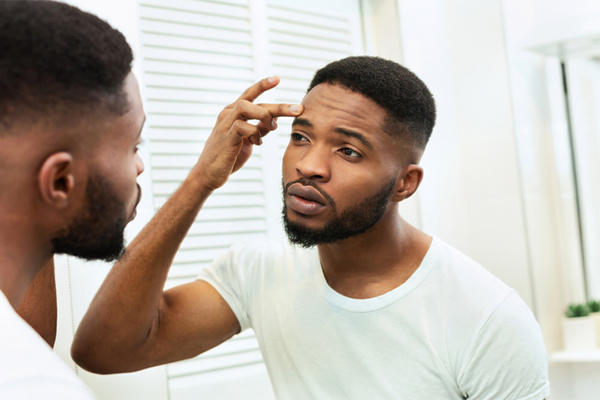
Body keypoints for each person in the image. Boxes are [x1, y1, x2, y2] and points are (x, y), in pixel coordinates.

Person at [71, 55, 550, 399]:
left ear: (406, 183)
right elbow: (104, 351)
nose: (309, 166)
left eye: (348, 151)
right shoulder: (257, 273)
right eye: (300, 137)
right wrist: (201, 180)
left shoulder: (488, 319)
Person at [0, 0, 294, 398]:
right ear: (60, 181)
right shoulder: (34, 383)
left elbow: (26, 335)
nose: (139, 167)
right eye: (133, 145)